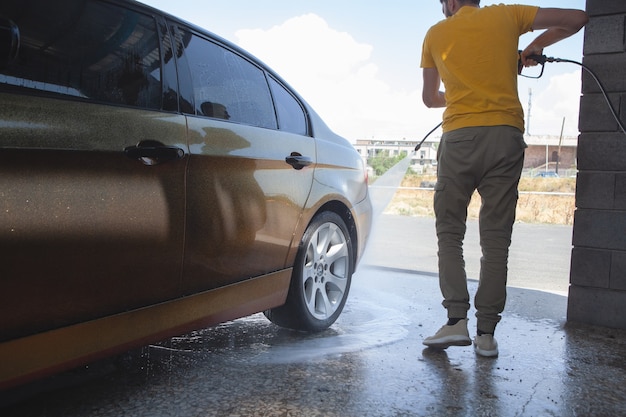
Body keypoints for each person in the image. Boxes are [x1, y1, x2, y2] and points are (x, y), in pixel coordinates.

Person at [420, 0, 588, 357]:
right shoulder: (508, 15)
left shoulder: (435, 34)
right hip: (505, 136)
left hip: (460, 138)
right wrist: (532, 48)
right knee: (495, 241)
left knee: (450, 233)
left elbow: (429, 98)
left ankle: (455, 322)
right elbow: (577, 18)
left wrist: (462, 91)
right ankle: (485, 334)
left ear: (450, 2)